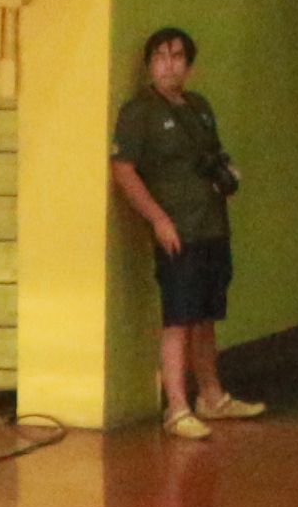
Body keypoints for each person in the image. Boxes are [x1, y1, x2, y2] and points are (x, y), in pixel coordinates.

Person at [108, 26, 260, 442]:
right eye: (160, 57)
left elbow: (213, 156)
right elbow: (123, 170)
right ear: (149, 64)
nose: (168, 65)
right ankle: (176, 406)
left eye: (176, 57)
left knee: (205, 315)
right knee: (178, 317)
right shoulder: (139, 112)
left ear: (189, 66)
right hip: (177, 229)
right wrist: (158, 219)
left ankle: (212, 395)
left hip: (210, 223)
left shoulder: (198, 107)